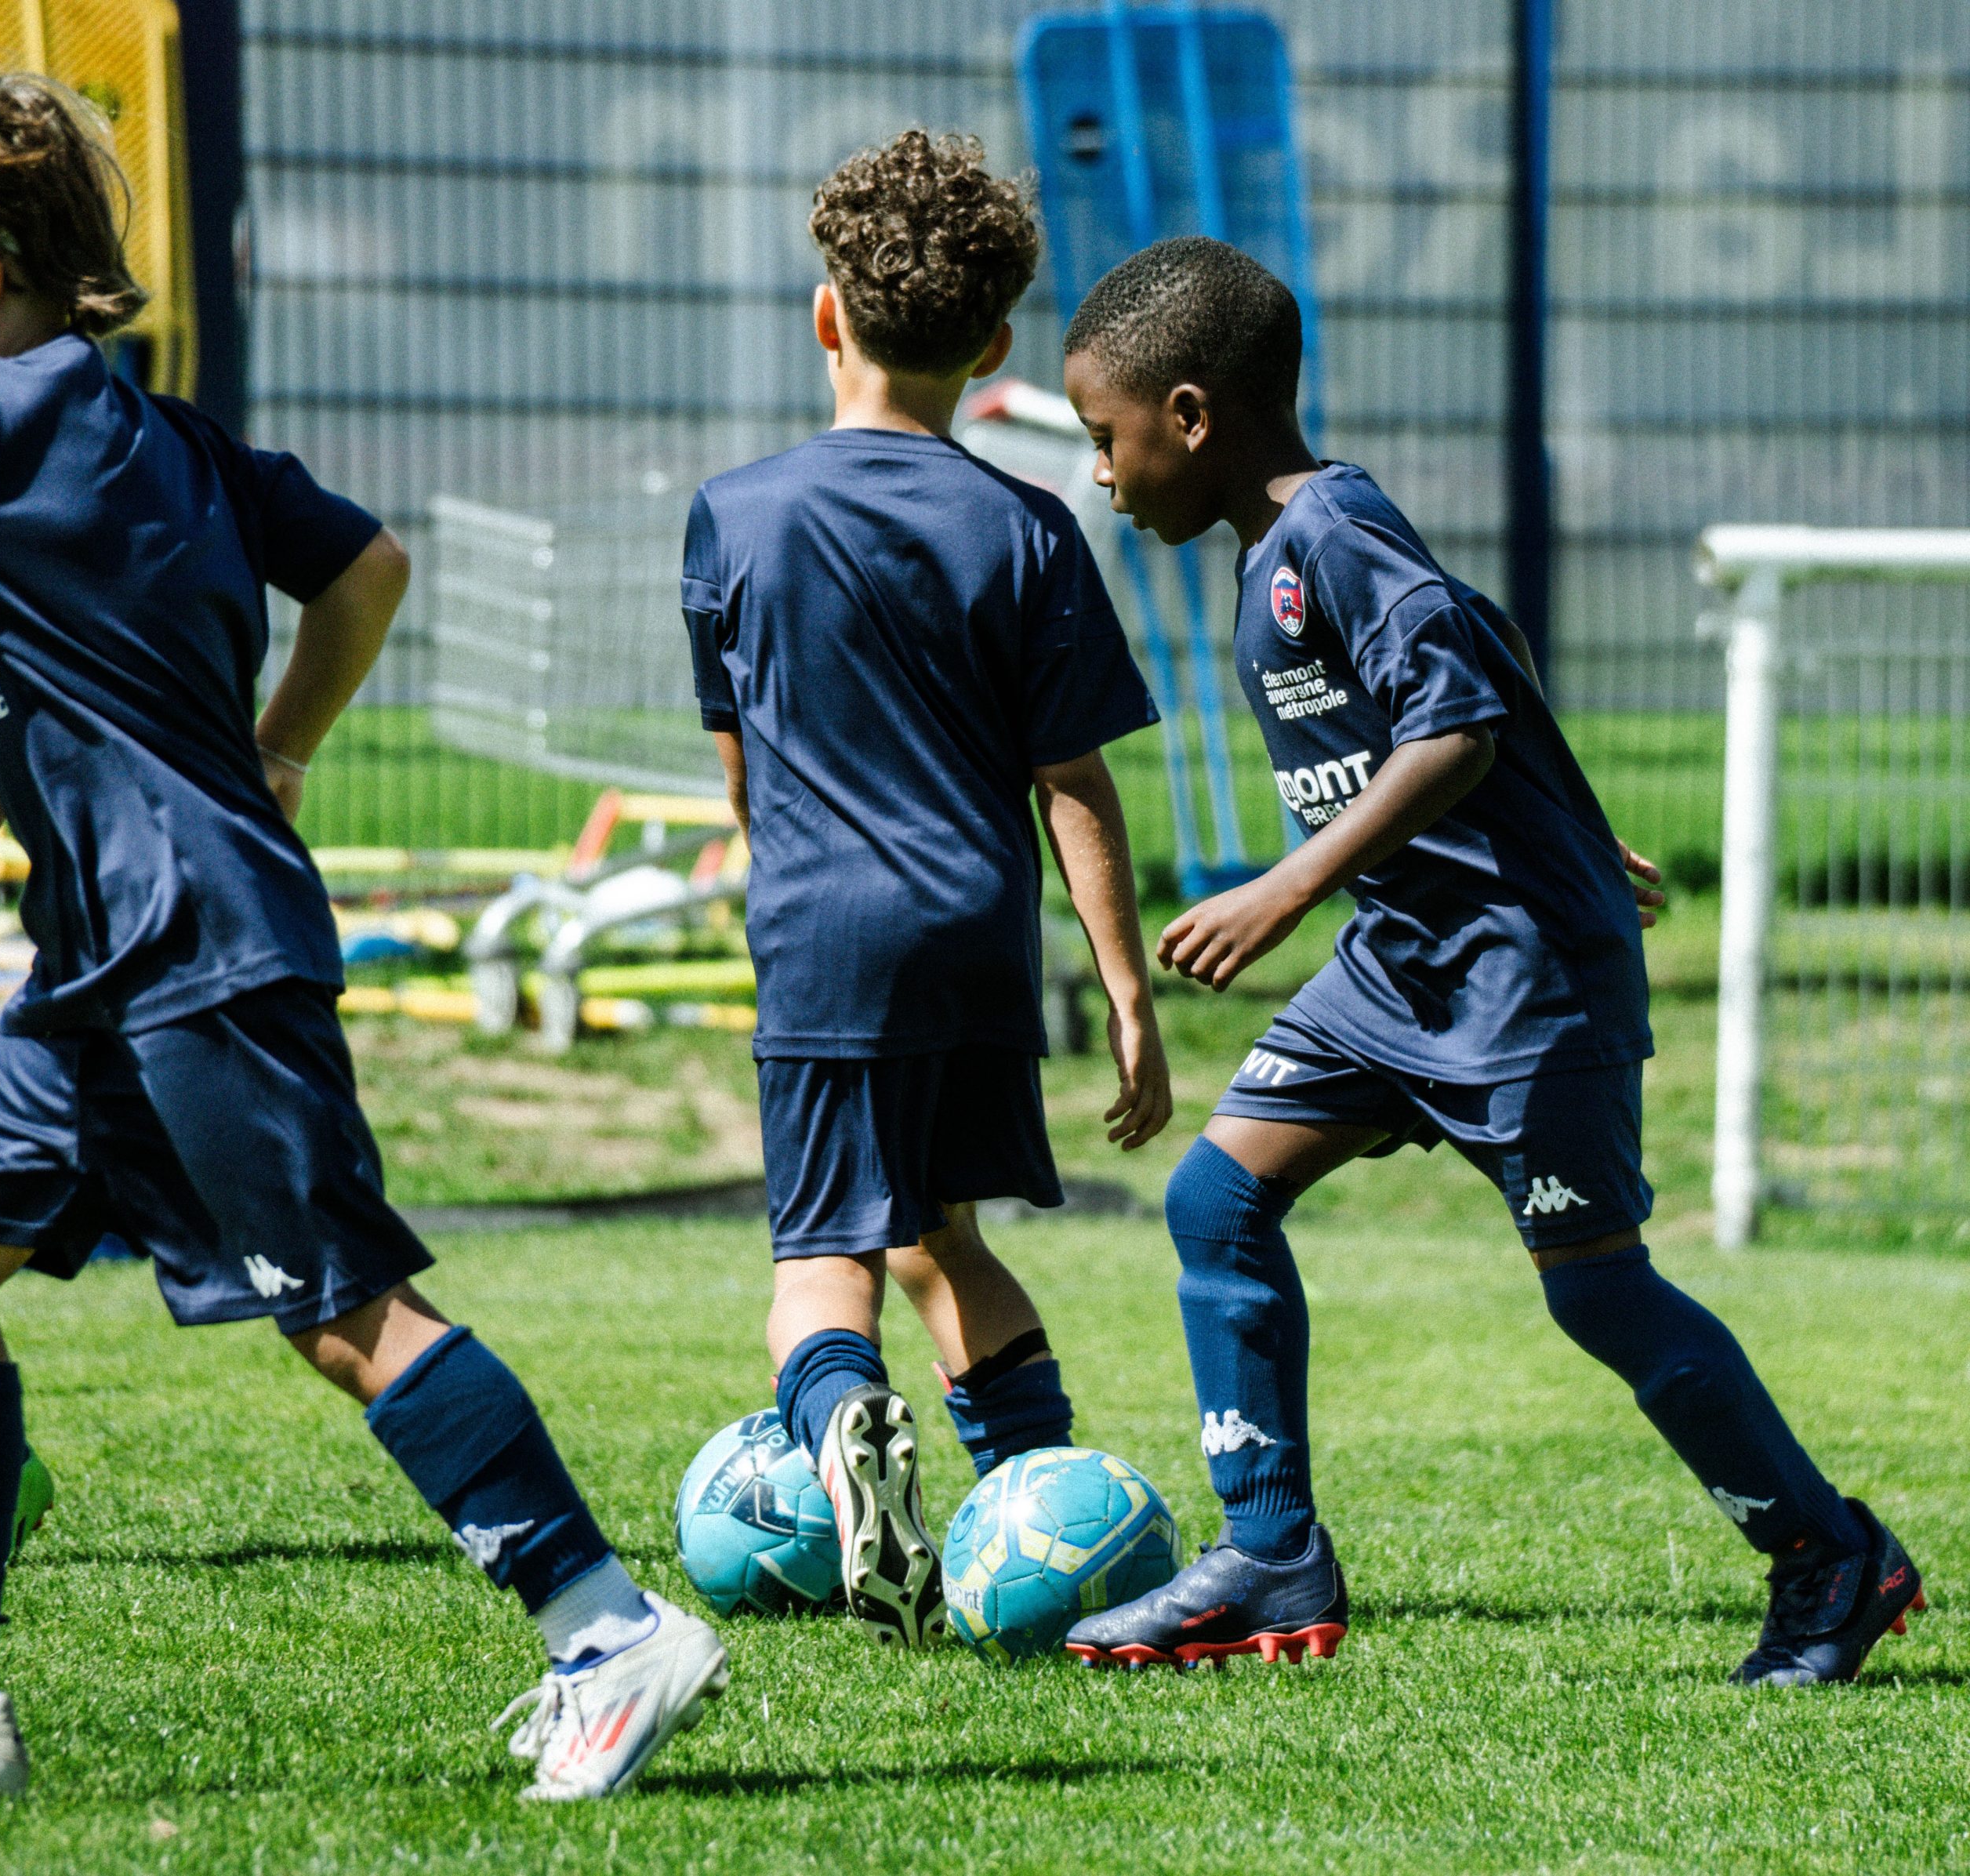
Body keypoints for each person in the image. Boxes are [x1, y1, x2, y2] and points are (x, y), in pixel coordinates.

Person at [0, 69, 727, 1804]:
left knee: (347, 1315)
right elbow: (365, 567)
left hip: (189, 949)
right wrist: (259, 751)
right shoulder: (157, 434)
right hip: (111, 963)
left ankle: (603, 1629)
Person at [1056, 236, 1923, 1686]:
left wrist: (1286, 888)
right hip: (1404, 966)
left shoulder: (1327, 530)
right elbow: (1484, 650)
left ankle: (1832, 1556)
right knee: (1217, 1193)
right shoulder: (1283, 549)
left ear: (1191, 416)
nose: (1101, 473)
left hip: (1524, 981)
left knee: (1596, 1291)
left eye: (1106, 437)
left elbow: (1452, 724)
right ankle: (1270, 1547)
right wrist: (1574, 822)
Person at [683, 130, 1171, 1648]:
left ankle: (842, 1440)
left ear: (825, 314)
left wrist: (773, 892)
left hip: (826, 934)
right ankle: (1038, 1511)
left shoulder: (737, 514)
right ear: (994, 346)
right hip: (976, 944)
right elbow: (1073, 785)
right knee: (936, 1236)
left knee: (821, 1254)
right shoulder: (1026, 524)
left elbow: (745, 773)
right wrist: (1126, 990)